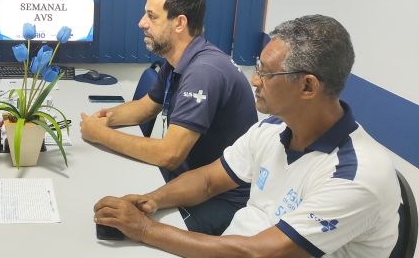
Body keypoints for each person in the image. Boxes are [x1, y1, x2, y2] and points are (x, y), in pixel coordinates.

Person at [94, 15, 400, 257]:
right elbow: (209, 181)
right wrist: (152, 200)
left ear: (308, 87)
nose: (255, 79)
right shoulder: (273, 129)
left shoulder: (355, 177)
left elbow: (259, 253)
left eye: (266, 73)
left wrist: (146, 231)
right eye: (258, 67)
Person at [80, 0, 258, 235]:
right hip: (184, 181)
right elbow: (145, 107)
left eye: (152, 17)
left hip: (219, 199)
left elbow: (169, 154)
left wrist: (100, 134)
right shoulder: (178, 60)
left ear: (179, 23)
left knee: (111, 230)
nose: (141, 23)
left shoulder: (203, 72)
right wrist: (104, 119)